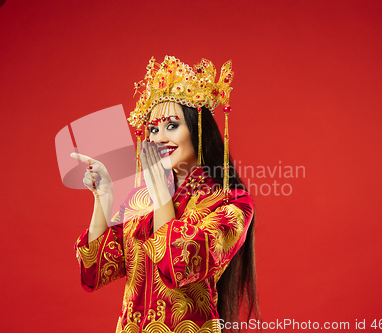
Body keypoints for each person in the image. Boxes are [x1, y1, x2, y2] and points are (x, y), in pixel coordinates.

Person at [72, 56, 259, 333]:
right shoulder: (140, 199)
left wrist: (160, 195)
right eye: (153, 129)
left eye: (172, 126)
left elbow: (178, 262)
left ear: (199, 129)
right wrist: (103, 198)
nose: (159, 138)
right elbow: (96, 270)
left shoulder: (230, 202)